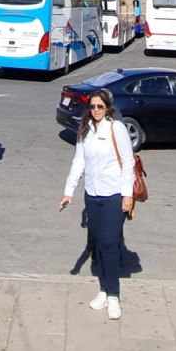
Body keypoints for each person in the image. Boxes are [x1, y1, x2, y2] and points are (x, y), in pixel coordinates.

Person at [59, 87, 134, 321]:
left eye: (100, 106)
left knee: (110, 243)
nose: (96, 110)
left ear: (108, 108)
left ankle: (113, 295)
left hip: (114, 194)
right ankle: (103, 289)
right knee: (99, 245)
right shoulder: (86, 129)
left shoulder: (116, 128)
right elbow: (78, 161)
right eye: (92, 106)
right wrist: (69, 191)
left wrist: (127, 194)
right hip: (92, 195)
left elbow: (128, 162)